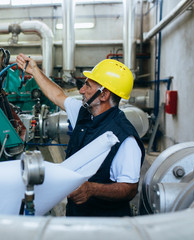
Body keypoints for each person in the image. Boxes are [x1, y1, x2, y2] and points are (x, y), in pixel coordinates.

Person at [16, 54, 145, 217]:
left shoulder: (126, 138)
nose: (82, 90)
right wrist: (34, 71)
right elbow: (57, 96)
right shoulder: (84, 112)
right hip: (77, 215)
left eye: (88, 86)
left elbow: (129, 189)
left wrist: (92, 189)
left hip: (106, 224)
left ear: (104, 95)